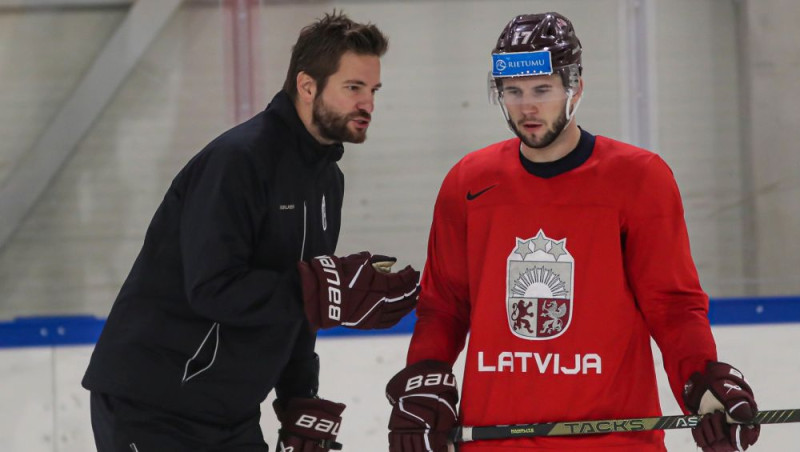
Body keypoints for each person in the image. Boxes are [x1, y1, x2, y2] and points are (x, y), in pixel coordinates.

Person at [385, 12, 759, 452]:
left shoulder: (639, 179)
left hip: (614, 442)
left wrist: (701, 381)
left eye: (542, 90)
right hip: (494, 440)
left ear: (575, 87)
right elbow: (443, 307)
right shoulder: (468, 182)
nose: (527, 107)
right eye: (513, 92)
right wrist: (426, 385)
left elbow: (672, 306)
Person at [82, 11, 420, 452]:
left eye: (372, 90)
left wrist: (299, 401)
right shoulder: (237, 162)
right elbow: (213, 287)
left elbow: (302, 308)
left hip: (229, 413)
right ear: (307, 86)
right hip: (153, 405)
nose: (367, 104)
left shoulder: (327, 181)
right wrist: (320, 289)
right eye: (353, 88)